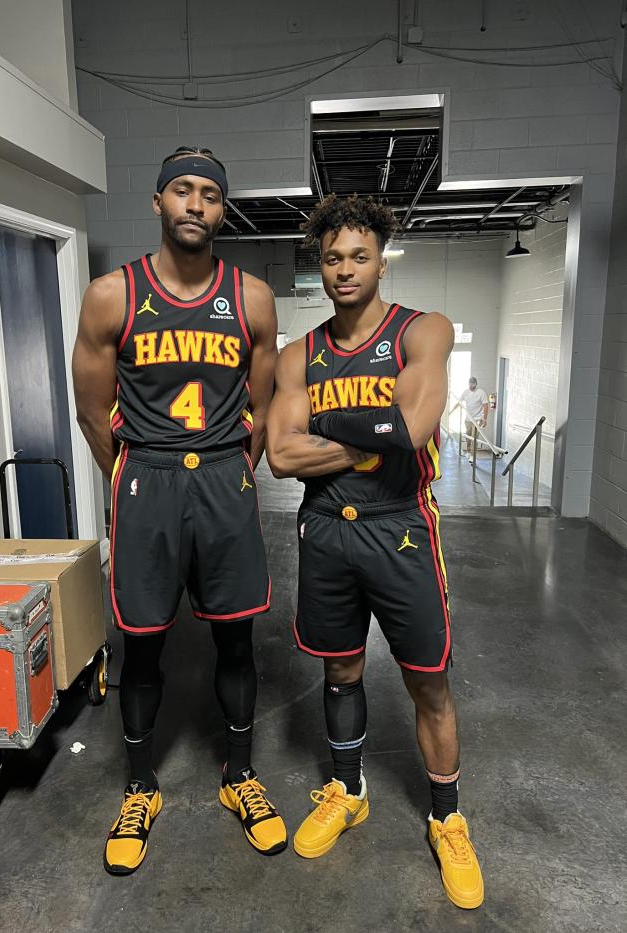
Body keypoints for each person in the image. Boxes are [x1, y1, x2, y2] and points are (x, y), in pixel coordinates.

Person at [72, 146, 287, 875]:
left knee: (236, 638)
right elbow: (92, 411)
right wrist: (135, 475)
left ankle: (239, 775)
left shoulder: (252, 298)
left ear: (223, 209)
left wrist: (231, 472)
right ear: (158, 201)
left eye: (210, 195)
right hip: (148, 477)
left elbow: (262, 406)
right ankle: (140, 787)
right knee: (142, 642)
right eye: (183, 191)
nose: (196, 204)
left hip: (224, 476)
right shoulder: (112, 295)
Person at [266, 194, 484, 910]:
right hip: (327, 529)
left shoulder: (423, 330)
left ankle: (447, 818)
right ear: (320, 264)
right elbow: (279, 455)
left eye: (359, 256)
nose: (345, 269)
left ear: (381, 261)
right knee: (340, 667)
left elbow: (413, 426)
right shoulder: (299, 354)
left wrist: (327, 427)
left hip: (400, 526)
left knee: (428, 679)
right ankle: (347, 788)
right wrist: (369, 438)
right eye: (332, 257)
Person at [451, 377, 488, 454]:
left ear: (476, 384)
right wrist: (451, 411)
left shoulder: (481, 392)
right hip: (468, 419)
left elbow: (485, 405)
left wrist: (484, 419)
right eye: (470, 384)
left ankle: (472, 454)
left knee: (474, 437)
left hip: (478, 419)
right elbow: (459, 402)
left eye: (473, 384)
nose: (471, 385)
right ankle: (468, 452)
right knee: (468, 436)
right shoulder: (465, 392)